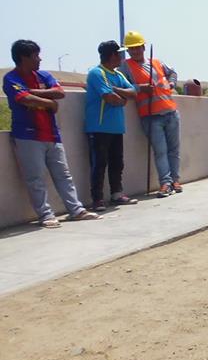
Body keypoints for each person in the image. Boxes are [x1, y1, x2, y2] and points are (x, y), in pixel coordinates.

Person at [2, 40, 100, 227]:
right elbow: (25, 99)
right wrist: (50, 103)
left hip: (52, 134)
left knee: (63, 175)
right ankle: (45, 215)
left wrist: (35, 93)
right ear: (24, 58)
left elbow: (59, 92)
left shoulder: (43, 75)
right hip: (27, 135)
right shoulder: (11, 78)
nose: (39, 59)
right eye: (35, 56)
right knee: (35, 178)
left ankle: (76, 210)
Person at [118, 31, 182, 197]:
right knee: (160, 151)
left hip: (170, 111)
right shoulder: (125, 66)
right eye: (131, 49)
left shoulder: (156, 62)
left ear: (143, 47)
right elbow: (122, 86)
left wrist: (171, 83)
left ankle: (175, 180)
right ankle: (165, 183)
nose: (134, 51)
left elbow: (173, 73)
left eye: (137, 48)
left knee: (174, 150)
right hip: (150, 115)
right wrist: (140, 88)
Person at [85, 40, 140, 211]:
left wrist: (117, 91)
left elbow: (133, 92)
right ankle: (97, 199)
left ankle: (117, 193)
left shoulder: (118, 75)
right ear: (113, 55)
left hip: (116, 127)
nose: (122, 57)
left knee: (117, 162)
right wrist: (120, 97)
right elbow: (109, 97)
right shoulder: (96, 73)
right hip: (99, 127)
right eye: (119, 53)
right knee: (99, 164)